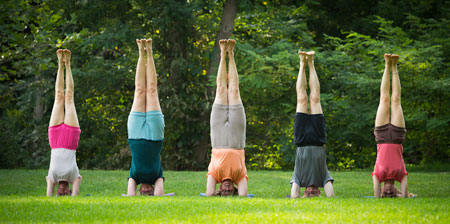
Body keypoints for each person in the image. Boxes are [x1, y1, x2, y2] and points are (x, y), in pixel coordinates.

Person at [206, 39, 248, 197]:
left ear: (219, 189)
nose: (227, 188)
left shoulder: (214, 174)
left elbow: (209, 193)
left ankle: (223, 54)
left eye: (224, 191)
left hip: (218, 138)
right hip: (237, 139)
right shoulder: (240, 175)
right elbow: (243, 195)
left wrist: (215, 194)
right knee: (235, 90)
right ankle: (232, 54)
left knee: (221, 90)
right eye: (230, 191)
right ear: (235, 189)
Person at [290, 50, 334, 198]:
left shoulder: (298, 178)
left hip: (301, 140)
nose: (310, 191)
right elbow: (331, 196)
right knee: (315, 98)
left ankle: (302, 63)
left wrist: (300, 198)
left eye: (308, 193)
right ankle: (311, 63)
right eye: (314, 193)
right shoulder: (323, 178)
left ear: (304, 192)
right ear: (319, 191)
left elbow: (294, 194)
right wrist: (324, 197)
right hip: (318, 139)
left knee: (302, 98)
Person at [126, 39, 165, 196]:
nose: (146, 190)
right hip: (155, 136)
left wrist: (135, 194)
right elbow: (160, 195)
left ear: (139, 190)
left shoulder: (134, 177)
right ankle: (149, 51)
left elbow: (130, 196)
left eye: (144, 192)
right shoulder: (158, 177)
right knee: (152, 90)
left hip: (135, 134)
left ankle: (140, 53)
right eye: (150, 192)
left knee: (139, 90)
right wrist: (155, 193)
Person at [372, 54, 411, 198]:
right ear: (396, 190)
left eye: (385, 193)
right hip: (397, 137)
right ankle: (394, 66)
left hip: (381, 137)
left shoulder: (378, 176)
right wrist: (401, 196)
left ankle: (387, 65)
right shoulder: (400, 175)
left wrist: (380, 197)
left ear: (382, 191)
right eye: (391, 193)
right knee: (395, 100)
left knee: (384, 99)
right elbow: (405, 196)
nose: (388, 191)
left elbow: (376, 196)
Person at [46, 49, 82, 196]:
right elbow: (76, 194)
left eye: (60, 193)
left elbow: (48, 196)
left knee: (58, 96)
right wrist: (73, 194)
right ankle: (67, 64)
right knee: (69, 97)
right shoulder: (74, 177)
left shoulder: (52, 178)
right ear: (69, 189)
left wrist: (52, 191)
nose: (62, 191)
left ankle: (60, 65)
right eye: (65, 192)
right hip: (70, 140)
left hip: (54, 139)